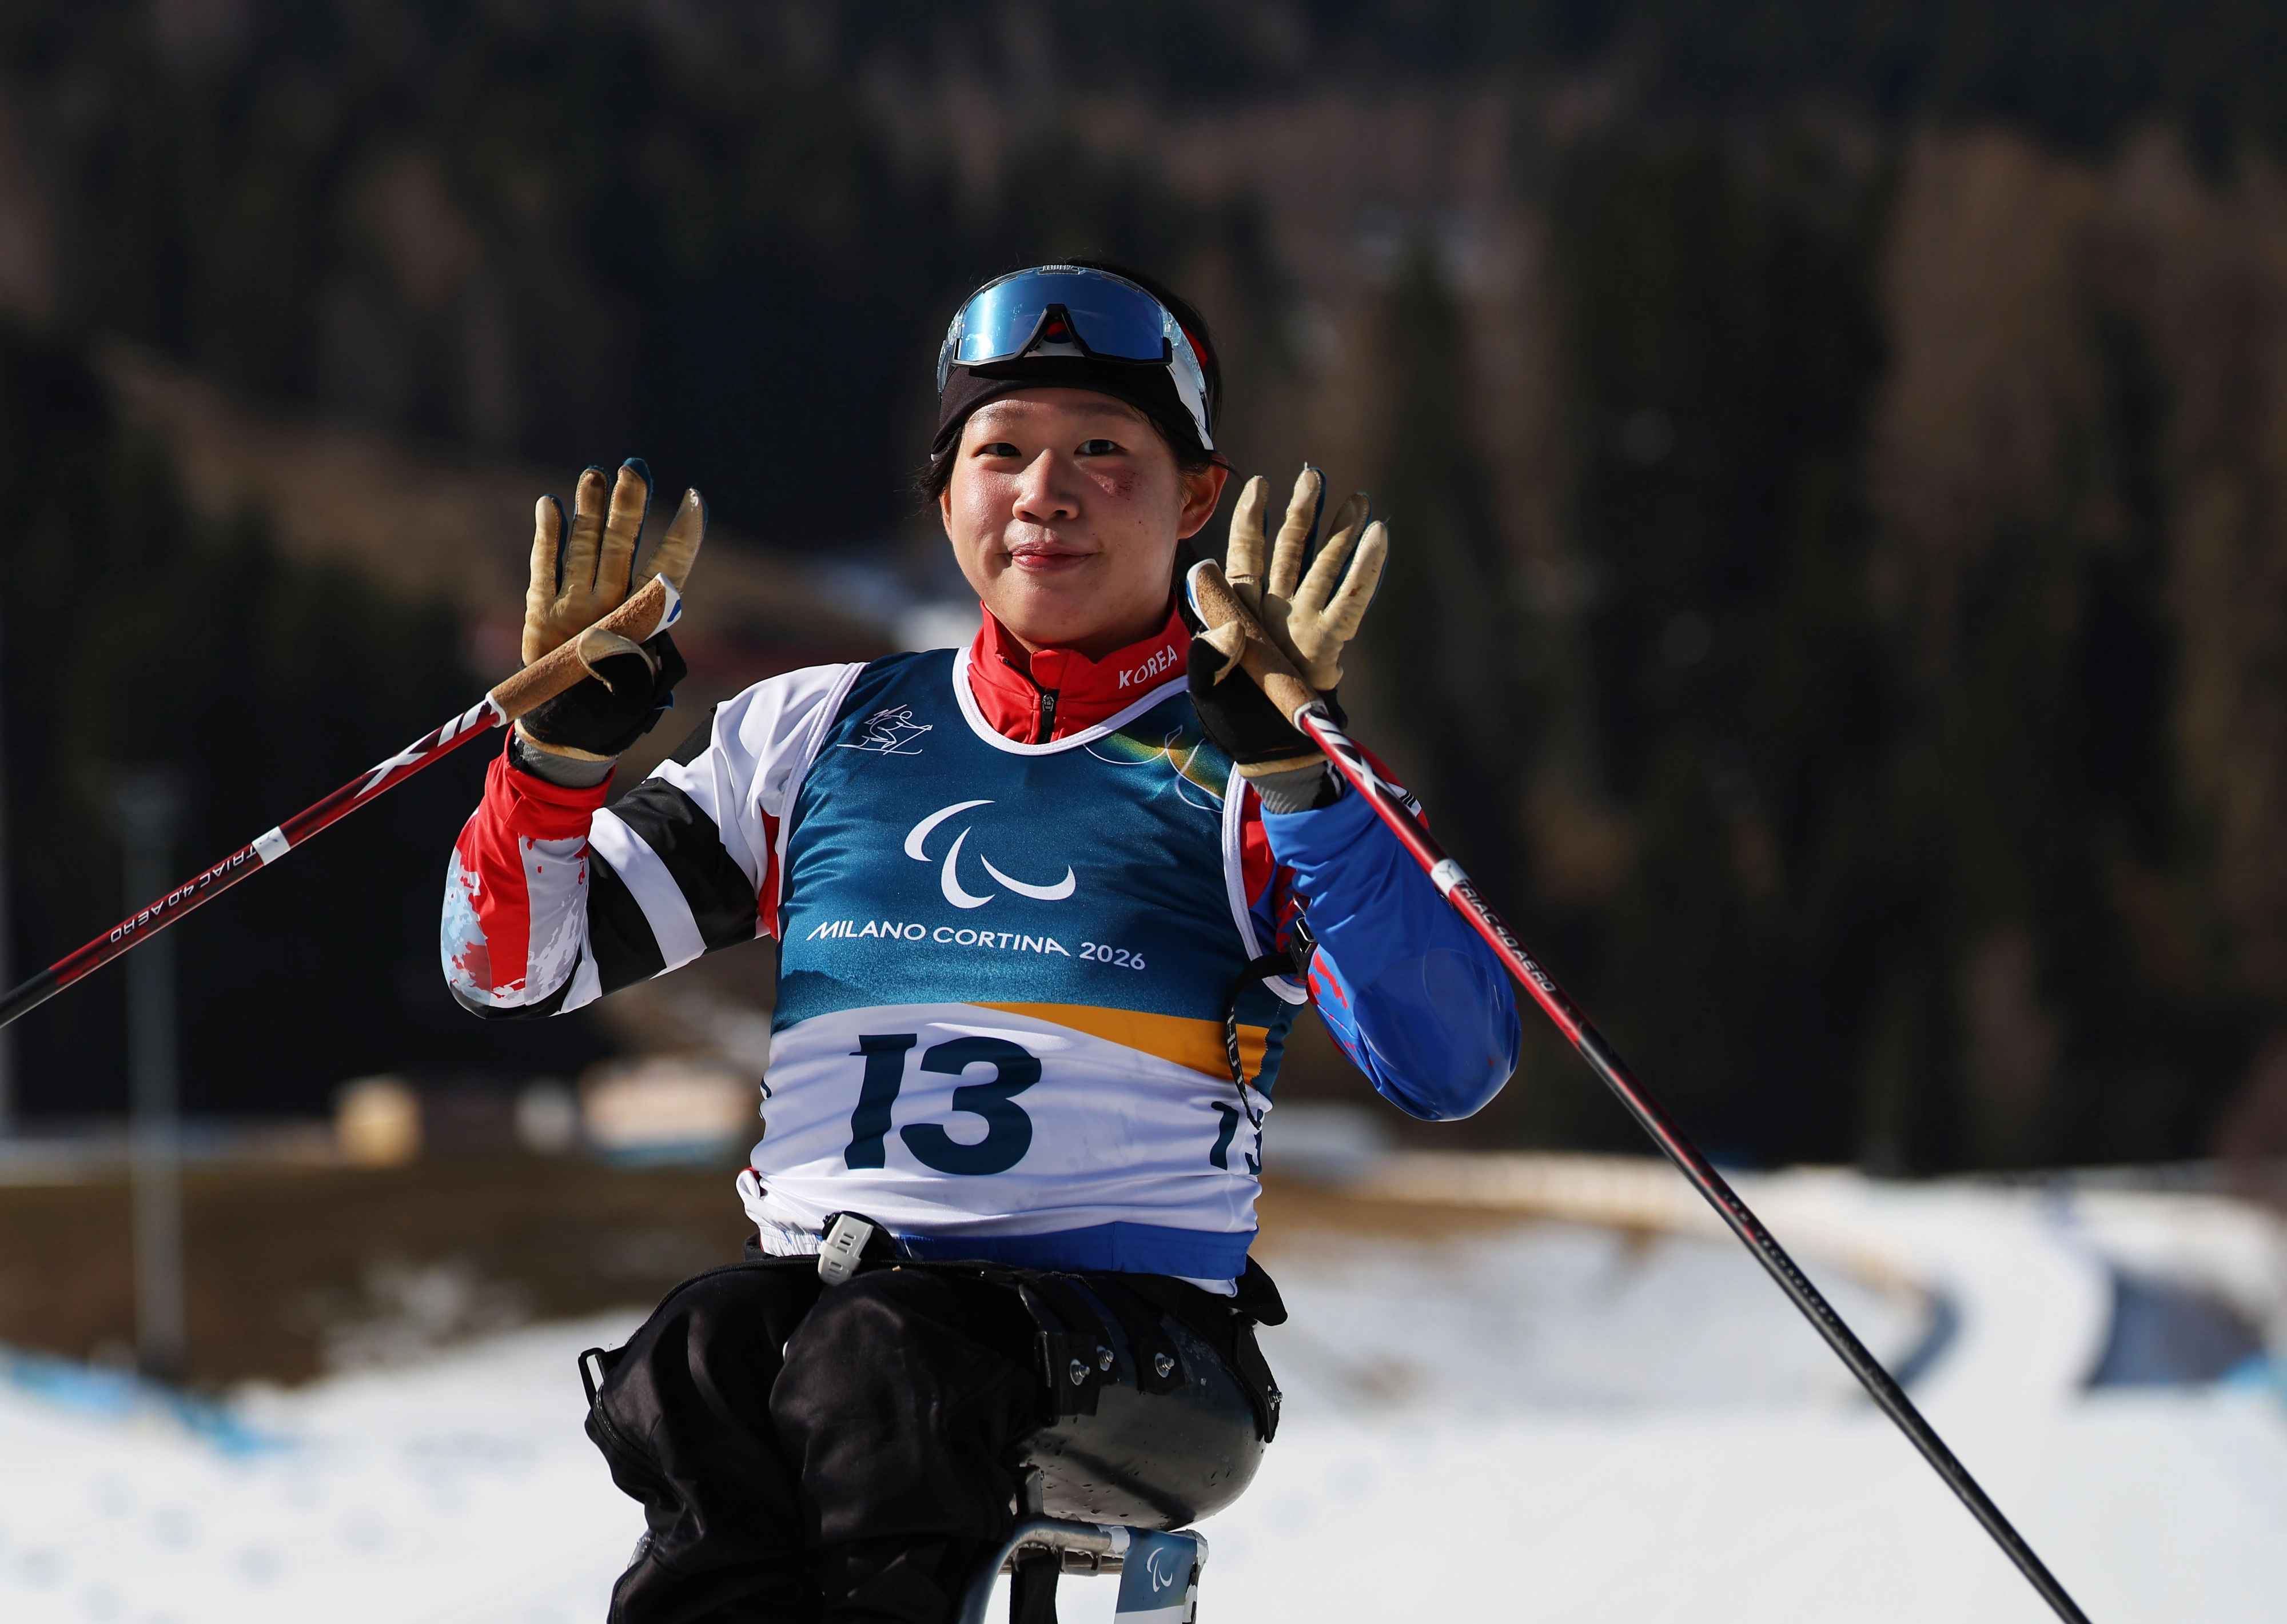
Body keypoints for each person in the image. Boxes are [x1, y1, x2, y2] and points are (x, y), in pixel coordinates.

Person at [441, 261, 1520, 1623]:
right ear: (943, 491)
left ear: (1196, 496)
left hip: (1134, 1348)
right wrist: (549, 768)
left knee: (880, 1358)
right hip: (831, 1310)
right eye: (999, 451)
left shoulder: (1253, 767)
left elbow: (1449, 1060)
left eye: (1103, 451)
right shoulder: (818, 732)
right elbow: (509, 968)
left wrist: (1310, 789)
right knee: (704, 1350)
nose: (1044, 493)